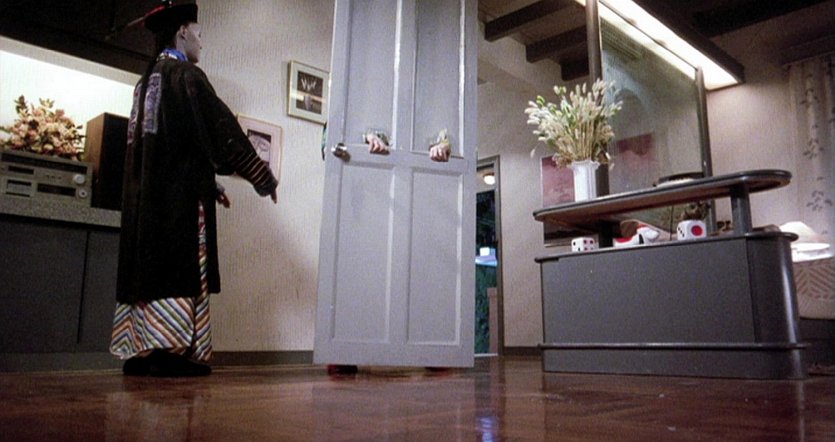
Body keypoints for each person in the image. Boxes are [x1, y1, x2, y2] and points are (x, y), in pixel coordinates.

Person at [110, 1, 278, 377]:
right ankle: (170, 352)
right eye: (199, 34)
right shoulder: (186, 76)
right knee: (179, 262)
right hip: (176, 206)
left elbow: (168, 149)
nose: (201, 42)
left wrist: (210, 183)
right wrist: (262, 177)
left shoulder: (143, 83)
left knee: (146, 266)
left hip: (143, 204)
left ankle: (144, 350)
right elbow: (222, 131)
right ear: (183, 31)